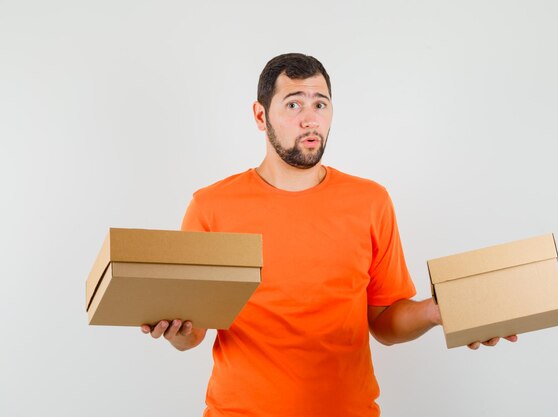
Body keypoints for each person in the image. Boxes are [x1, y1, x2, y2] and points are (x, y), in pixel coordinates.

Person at [141, 53, 517, 417]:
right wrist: (175, 330)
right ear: (260, 115)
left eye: (320, 105)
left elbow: (384, 321)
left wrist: (436, 311)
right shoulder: (211, 207)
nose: (310, 119)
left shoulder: (371, 200)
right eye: (293, 105)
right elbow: (193, 334)